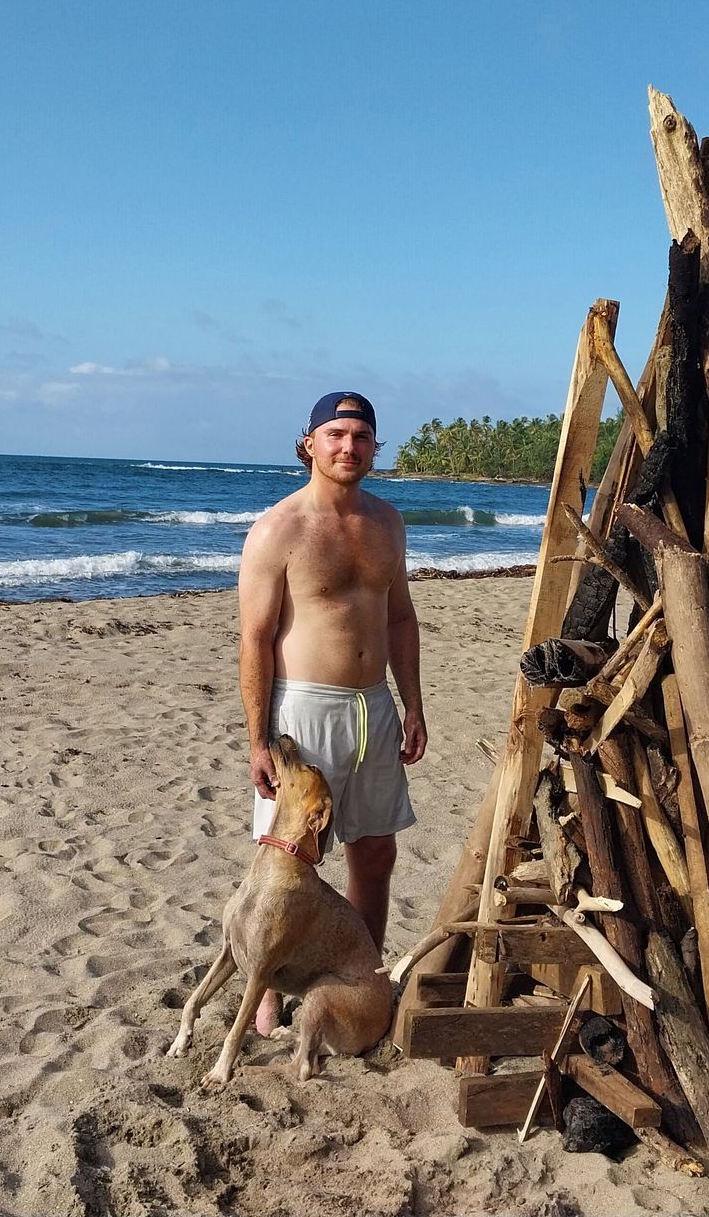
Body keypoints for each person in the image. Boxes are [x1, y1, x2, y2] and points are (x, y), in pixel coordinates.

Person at [237, 390, 428, 1035]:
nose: (350, 447)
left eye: (362, 437)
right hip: (305, 710)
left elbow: (399, 617)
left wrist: (413, 704)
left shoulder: (388, 523)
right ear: (310, 443)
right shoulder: (278, 528)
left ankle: (358, 974)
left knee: (374, 853)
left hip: (374, 707)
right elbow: (255, 639)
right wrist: (259, 738)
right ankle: (266, 992)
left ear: (375, 446)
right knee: (290, 860)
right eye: (337, 435)